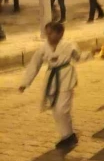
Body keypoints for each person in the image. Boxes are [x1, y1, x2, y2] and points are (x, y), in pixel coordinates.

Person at [19, 21, 91, 150]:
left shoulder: (69, 45)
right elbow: (34, 65)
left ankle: (69, 136)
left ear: (60, 33)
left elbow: (79, 57)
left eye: (51, 33)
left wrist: (92, 53)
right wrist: (25, 83)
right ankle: (67, 136)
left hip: (66, 77)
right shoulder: (43, 48)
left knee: (62, 108)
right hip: (51, 79)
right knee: (56, 110)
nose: (48, 36)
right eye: (47, 33)